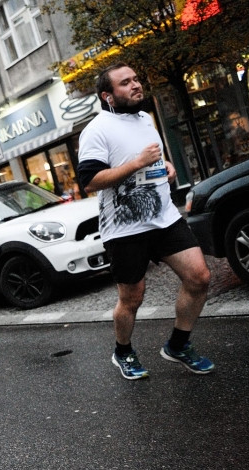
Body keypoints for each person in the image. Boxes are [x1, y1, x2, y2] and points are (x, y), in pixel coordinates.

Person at [77, 63, 213, 380]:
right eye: (126, 83)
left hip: (164, 218)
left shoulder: (146, 119)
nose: (136, 85)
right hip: (125, 228)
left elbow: (145, 160)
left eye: (136, 79)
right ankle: (123, 350)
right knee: (132, 298)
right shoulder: (96, 130)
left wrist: (163, 165)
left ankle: (178, 345)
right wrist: (138, 162)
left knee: (200, 277)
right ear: (108, 96)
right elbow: (90, 181)